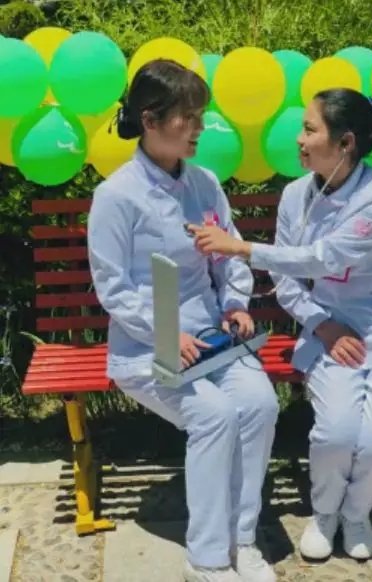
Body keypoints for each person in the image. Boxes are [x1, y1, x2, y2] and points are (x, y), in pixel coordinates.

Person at [188, 88, 372, 561]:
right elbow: (287, 280)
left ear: (345, 143)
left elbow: (324, 258)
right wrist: (323, 325)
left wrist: (239, 247)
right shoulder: (295, 195)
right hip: (330, 330)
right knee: (336, 434)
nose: (299, 139)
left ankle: (356, 513)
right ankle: (325, 512)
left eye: (309, 129)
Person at [87, 59, 279, 582]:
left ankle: (242, 538)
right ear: (150, 120)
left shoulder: (204, 183)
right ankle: (207, 558)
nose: (199, 128)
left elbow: (228, 255)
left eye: (200, 116)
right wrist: (167, 334)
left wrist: (236, 302)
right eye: (187, 117)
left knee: (260, 405)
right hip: (148, 346)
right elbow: (113, 287)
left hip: (215, 339)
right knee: (214, 415)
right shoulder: (116, 196)